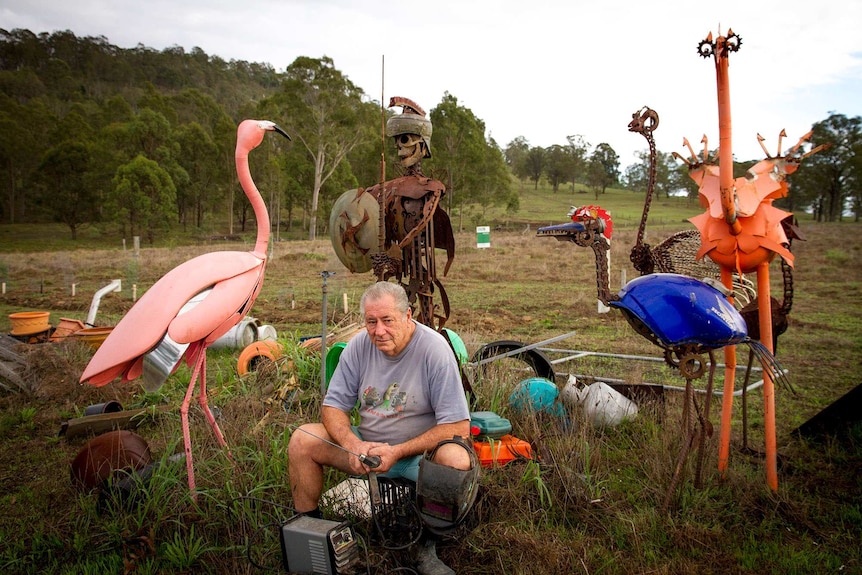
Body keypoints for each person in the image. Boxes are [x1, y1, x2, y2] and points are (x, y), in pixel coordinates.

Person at [288, 281, 473, 574]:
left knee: (456, 457)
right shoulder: (358, 346)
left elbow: (458, 427)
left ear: (408, 316)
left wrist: (398, 452)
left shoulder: (434, 350)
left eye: (387, 320)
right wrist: (352, 445)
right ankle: (310, 531)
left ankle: (428, 546)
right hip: (367, 450)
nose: (378, 330)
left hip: (416, 456)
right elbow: (333, 407)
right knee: (303, 439)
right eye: (371, 322)